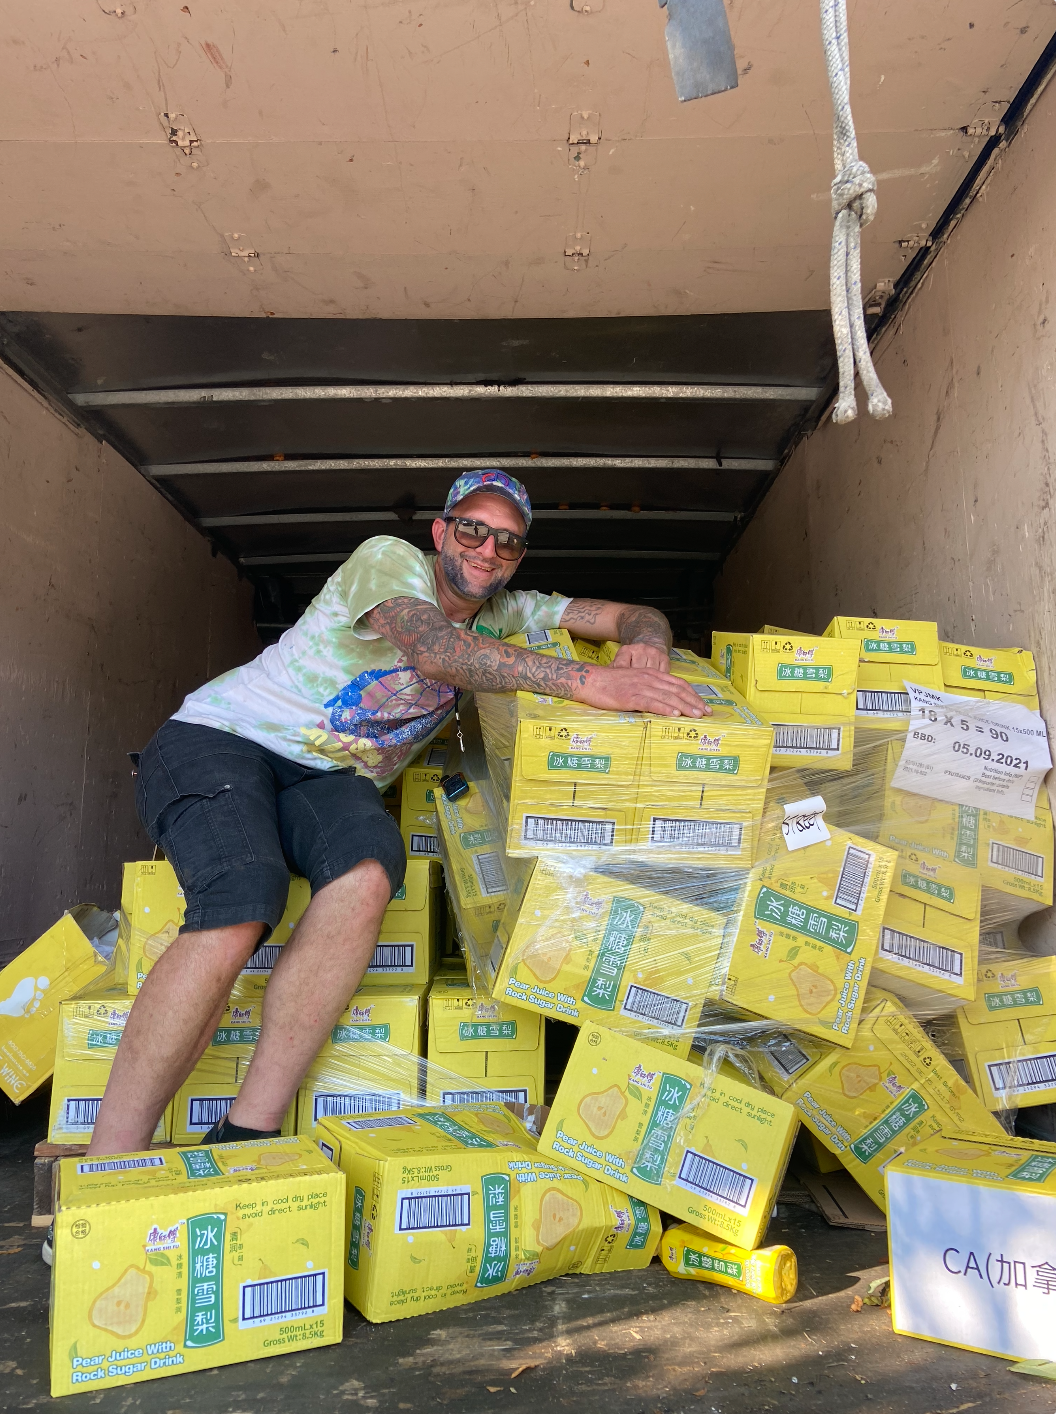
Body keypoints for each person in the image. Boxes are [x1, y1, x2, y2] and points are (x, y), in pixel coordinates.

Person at [87, 469, 708, 1158]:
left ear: (518, 557)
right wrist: (597, 682)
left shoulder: (511, 611)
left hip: (329, 776)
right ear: (441, 532)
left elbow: (629, 615)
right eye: (472, 529)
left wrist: (649, 645)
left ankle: (246, 1134)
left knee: (369, 873)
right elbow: (435, 652)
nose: (487, 549)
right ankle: (107, 1163)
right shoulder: (388, 561)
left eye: (507, 541)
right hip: (226, 739)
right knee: (244, 891)